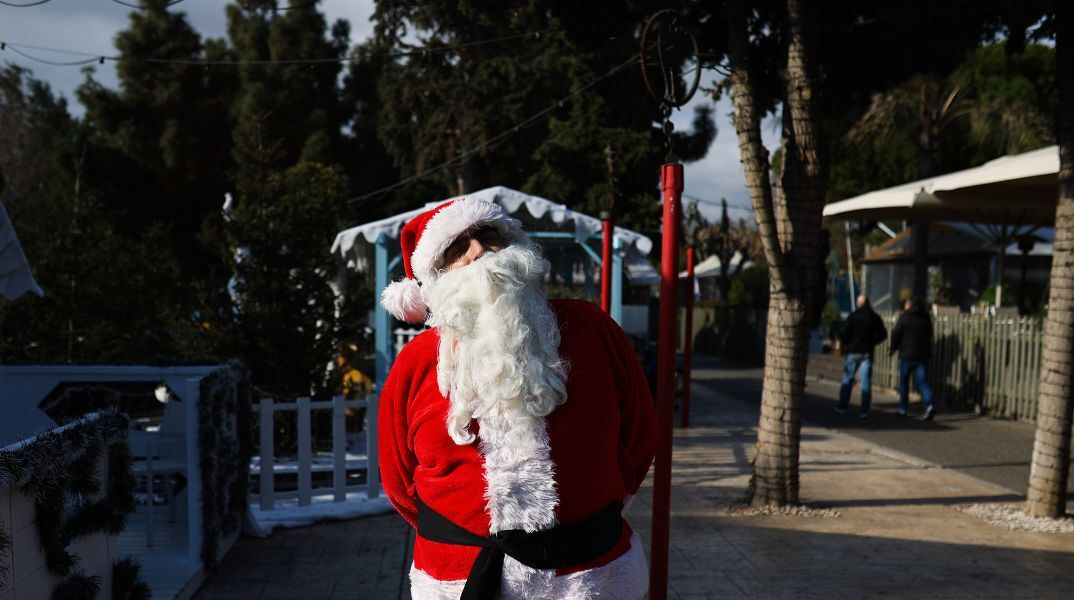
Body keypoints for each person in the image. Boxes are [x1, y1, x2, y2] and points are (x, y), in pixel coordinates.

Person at [377, 197, 657, 600]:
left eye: (488, 236)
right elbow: (399, 479)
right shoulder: (416, 362)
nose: (478, 250)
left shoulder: (591, 327)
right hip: (460, 578)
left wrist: (593, 508)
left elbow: (639, 434)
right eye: (457, 249)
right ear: (435, 279)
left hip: (591, 574)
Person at [836, 294, 887, 418]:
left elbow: (844, 332)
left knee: (847, 379)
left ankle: (843, 406)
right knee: (865, 381)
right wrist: (873, 341)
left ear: (858, 303)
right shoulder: (874, 317)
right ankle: (864, 410)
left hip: (853, 350)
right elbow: (883, 334)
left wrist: (848, 342)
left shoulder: (853, 316)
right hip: (867, 351)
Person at [890, 296, 936, 420]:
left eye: (905, 304)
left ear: (909, 305)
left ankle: (903, 409)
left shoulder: (904, 318)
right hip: (922, 355)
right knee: (923, 381)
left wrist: (893, 347)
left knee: (904, 382)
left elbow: (896, 334)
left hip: (907, 354)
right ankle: (929, 406)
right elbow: (930, 334)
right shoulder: (926, 318)